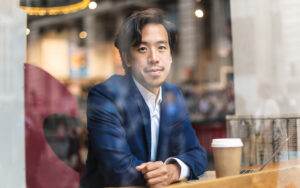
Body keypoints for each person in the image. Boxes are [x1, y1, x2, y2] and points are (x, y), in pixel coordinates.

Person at [80, 8, 207, 188]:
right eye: (142, 49)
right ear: (127, 58)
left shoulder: (173, 95)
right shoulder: (105, 96)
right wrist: (162, 174)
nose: (154, 58)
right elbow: (119, 171)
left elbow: (197, 154)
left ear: (170, 56)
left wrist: (173, 171)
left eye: (161, 48)